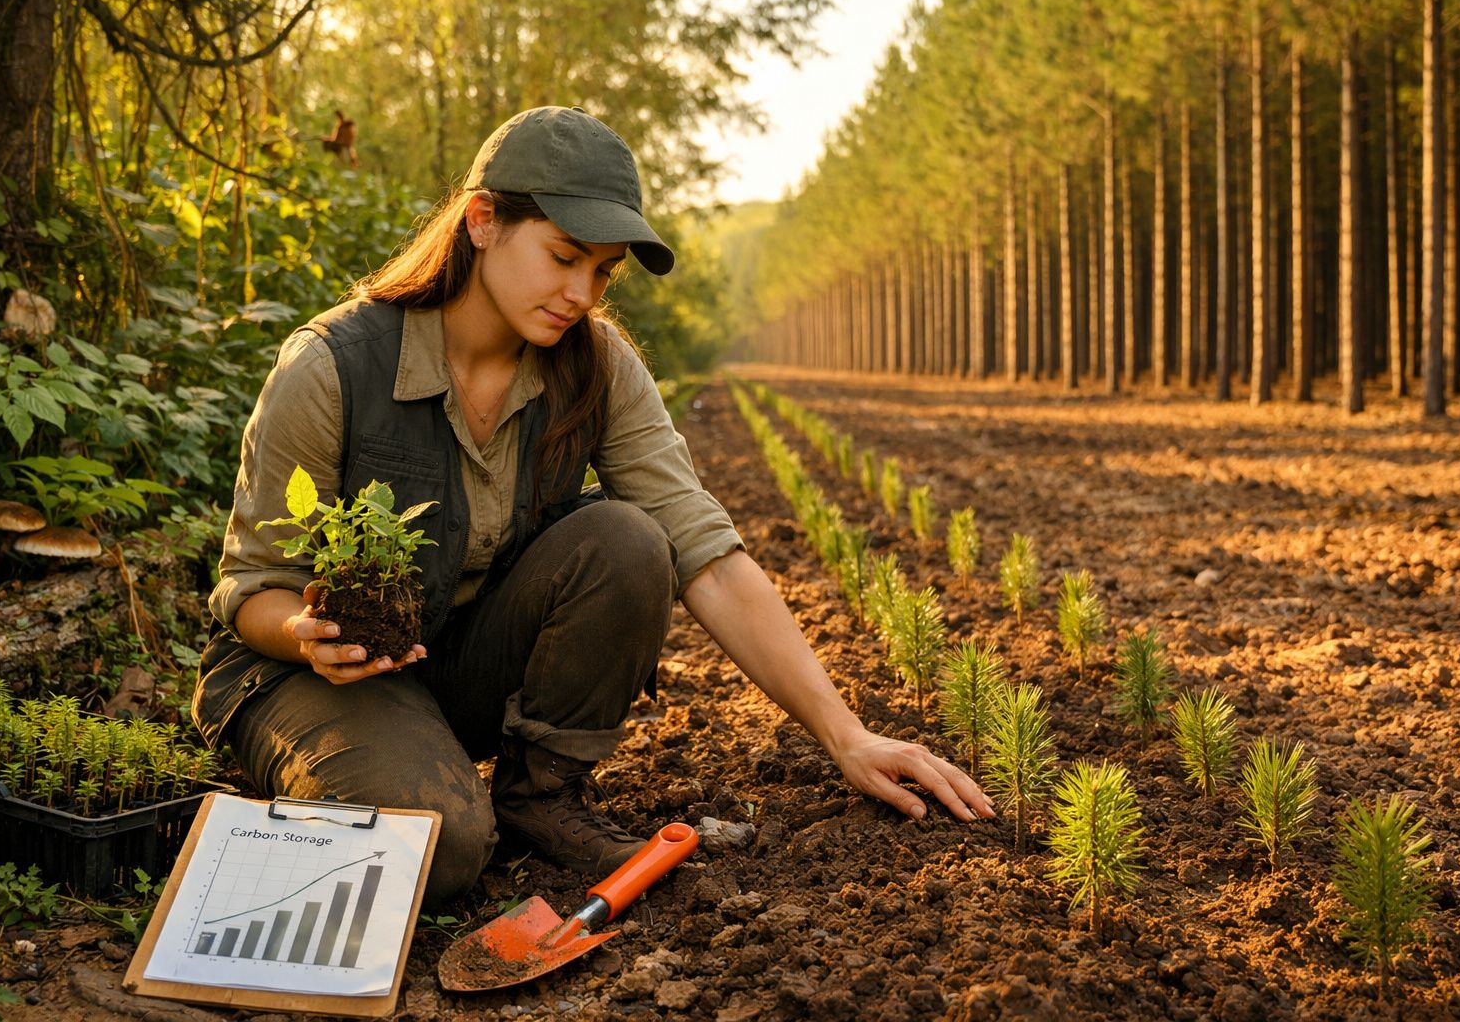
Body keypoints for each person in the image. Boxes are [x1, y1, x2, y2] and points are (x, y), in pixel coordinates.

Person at [196, 106, 994, 902]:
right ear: (482, 222)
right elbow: (252, 587)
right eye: (564, 256)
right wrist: (308, 636)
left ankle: (538, 798)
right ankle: (358, 789)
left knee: (629, 538)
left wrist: (845, 736)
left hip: (452, 663)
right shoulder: (334, 366)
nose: (582, 293)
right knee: (437, 852)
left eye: (603, 271)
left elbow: (706, 556)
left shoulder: (597, 367)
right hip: (306, 677)